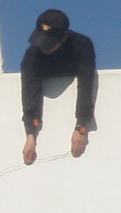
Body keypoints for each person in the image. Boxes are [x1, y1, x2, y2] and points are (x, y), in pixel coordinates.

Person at [19, 10, 96, 165]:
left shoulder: (82, 45)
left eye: (49, 43)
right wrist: (30, 135)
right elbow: (30, 92)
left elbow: (86, 84)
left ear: (64, 37)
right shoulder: (32, 55)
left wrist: (81, 126)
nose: (43, 48)